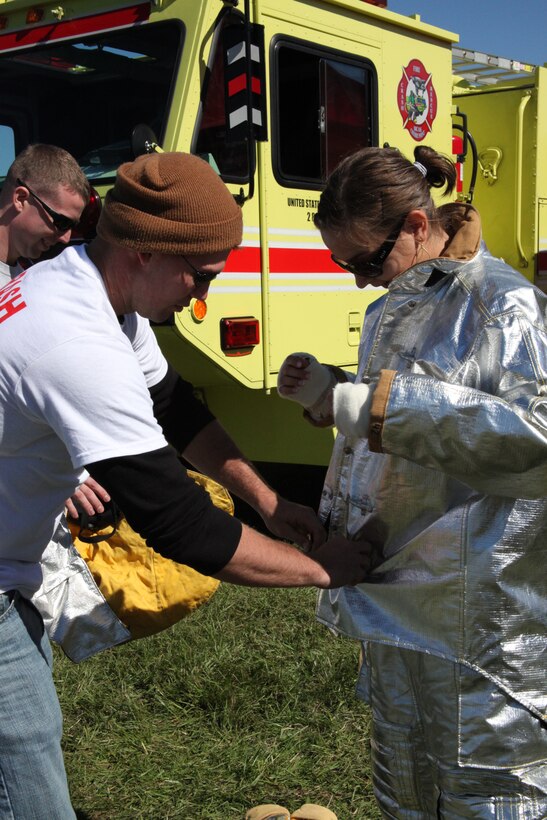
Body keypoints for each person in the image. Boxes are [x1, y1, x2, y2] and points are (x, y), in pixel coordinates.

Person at [0, 150, 369, 819]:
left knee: (27, 744)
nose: (203, 296)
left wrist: (269, 501)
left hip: (9, 568)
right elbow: (176, 520)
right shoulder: (73, 336)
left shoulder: (98, 294)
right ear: (144, 253)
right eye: (199, 276)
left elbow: (176, 409)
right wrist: (319, 568)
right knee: (26, 770)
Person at [277, 145, 547, 819]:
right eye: (342, 265)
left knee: (485, 782)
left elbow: (534, 438)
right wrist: (332, 392)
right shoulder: (391, 308)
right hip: (392, 583)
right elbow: (399, 427)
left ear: (416, 226)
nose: (360, 282)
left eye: (367, 260)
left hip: (473, 600)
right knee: (404, 767)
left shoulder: (504, 305)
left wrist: (376, 406)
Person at [0, 143, 90, 285]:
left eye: (72, 225)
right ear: (20, 199)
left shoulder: (28, 274)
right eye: (62, 222)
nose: (66, 238)